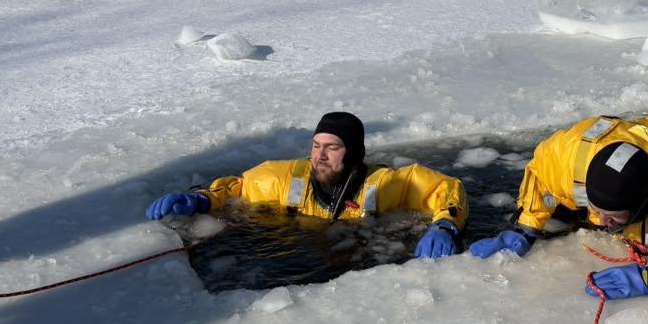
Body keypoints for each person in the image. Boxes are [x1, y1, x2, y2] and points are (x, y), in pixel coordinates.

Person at [468, 115, 648, 297]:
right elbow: (542, 175)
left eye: (613, 218)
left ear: (642, 208)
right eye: (595, 210)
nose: (601, 222)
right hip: (632, 134)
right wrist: (526, 226)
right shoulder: (570, 157)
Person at [145, 112, 467, 259]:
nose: (320, 156)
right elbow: (238, 188)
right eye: (316, 145)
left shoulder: (383, 185)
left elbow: (448, 190)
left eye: (332, 147)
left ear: (353, 154)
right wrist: (200, 200)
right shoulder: (284, 177)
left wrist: (444, 226)